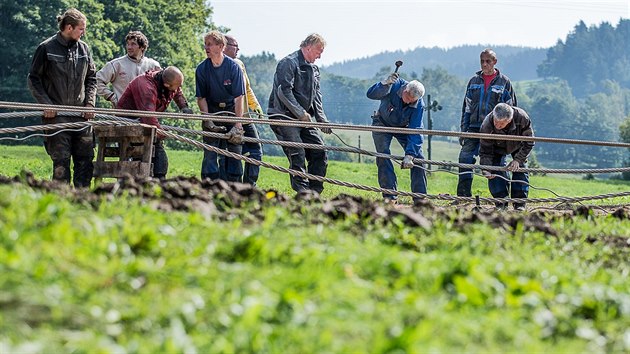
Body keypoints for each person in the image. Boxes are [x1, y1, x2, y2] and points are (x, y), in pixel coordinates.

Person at [27, 8, 97, 188]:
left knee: (85, 161)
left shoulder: (84, 49)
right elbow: (33, 79)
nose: (84, 33)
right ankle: (61, 202)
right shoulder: (46, 48)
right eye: (81, 29)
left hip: (82, 116)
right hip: (56, 116)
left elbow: (92, 78)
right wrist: (46, 104)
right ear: (68, 27)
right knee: (61, 163)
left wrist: (90, 102)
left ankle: (83, 201)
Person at [267, 33, 332, 194]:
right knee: (298, 151)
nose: (320, 56)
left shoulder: (315, 69)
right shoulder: (288, 63)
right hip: (283, 115)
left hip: (304, 119)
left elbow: (316, 95)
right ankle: (303, 193)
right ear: (308, 47)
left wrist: (321, 119)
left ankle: (315, 191)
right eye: (319, 51)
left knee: (319, 150)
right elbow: (284, 92)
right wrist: (301, 113)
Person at [457, 48, 517, 198]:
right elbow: (467, 108)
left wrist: (506, 134)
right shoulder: (473, 82)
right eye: (482, 61)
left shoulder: (505, 82)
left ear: (495, 62)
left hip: (495, 131)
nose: (484, 64)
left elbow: (511, 110)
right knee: (464, 159)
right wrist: (463, 130)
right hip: (473, 128)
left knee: (497, 163)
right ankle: (463, 197)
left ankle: (501, 199)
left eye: (488, 61)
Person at [116, 66, 191, 179]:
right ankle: (138, 186)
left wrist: (184, 106)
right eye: (177, 86)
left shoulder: (168, 82)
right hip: (130, 126)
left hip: (146, 125)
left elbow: (177, 91)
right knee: (140, 161)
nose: (179, 88)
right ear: (166, 85)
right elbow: (148, 117)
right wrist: (162, 133)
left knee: (160, 161)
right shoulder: (146, 87)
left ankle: (158, 185)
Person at [367, 73, 427, 204]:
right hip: (382, 122)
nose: (408, 102)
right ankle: (390, 197)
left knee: (419, 159)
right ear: (405, 89)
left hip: (404, 127)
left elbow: (416, 129)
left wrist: (410, 155)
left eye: (412, 101)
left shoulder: (419, 105)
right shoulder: (393, 85)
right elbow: (370, 94)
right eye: (407, 98)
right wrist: (383, 84)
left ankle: (420, 199)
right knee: (383, 155)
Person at [195, 30, 246, 182]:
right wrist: (208, 120)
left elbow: (239, 98)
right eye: (205, 44)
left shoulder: (233, 67)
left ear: (221, 46)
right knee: (210, 151)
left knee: (235, 150)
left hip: (231, 111)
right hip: (212, 111)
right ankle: (208, 184)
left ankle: (235, 184)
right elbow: (201, 98)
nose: (206, 48)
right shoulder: (202, 69)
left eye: (210, 44)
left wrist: (238, 125)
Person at [221, 34, 264, 185]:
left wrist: (255, 105)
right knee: (232, 153)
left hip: (245, 116)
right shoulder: (219, 66)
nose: (238, 49)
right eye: (235, 46)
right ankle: (234, 186)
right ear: (224, 46)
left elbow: (247, 88)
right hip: (229, 117)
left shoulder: (239, 63)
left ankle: (250, 185)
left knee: (256, 151)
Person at [479, 103, 534, 211]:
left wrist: (518, 160)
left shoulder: (522, 118)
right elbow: (485, 150)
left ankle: (519, 204)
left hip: (518, 145)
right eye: (495, 121)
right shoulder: (487, 124)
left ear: (509, 120)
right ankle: (501, 203)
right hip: (495, 148)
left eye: (501, 124)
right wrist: (486, 168)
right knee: (494, 171)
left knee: (520, 169)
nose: (497, 125)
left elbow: (529, 142)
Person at [96, 31, 160, 107]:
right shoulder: (116, 64)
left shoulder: (153, 66)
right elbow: (96, 80)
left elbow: (164, 87)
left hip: (146, 114)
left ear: (142, 47)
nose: (129, 47)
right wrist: (112, 97)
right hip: (121, 113)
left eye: (133, 44)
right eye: (128, 44)